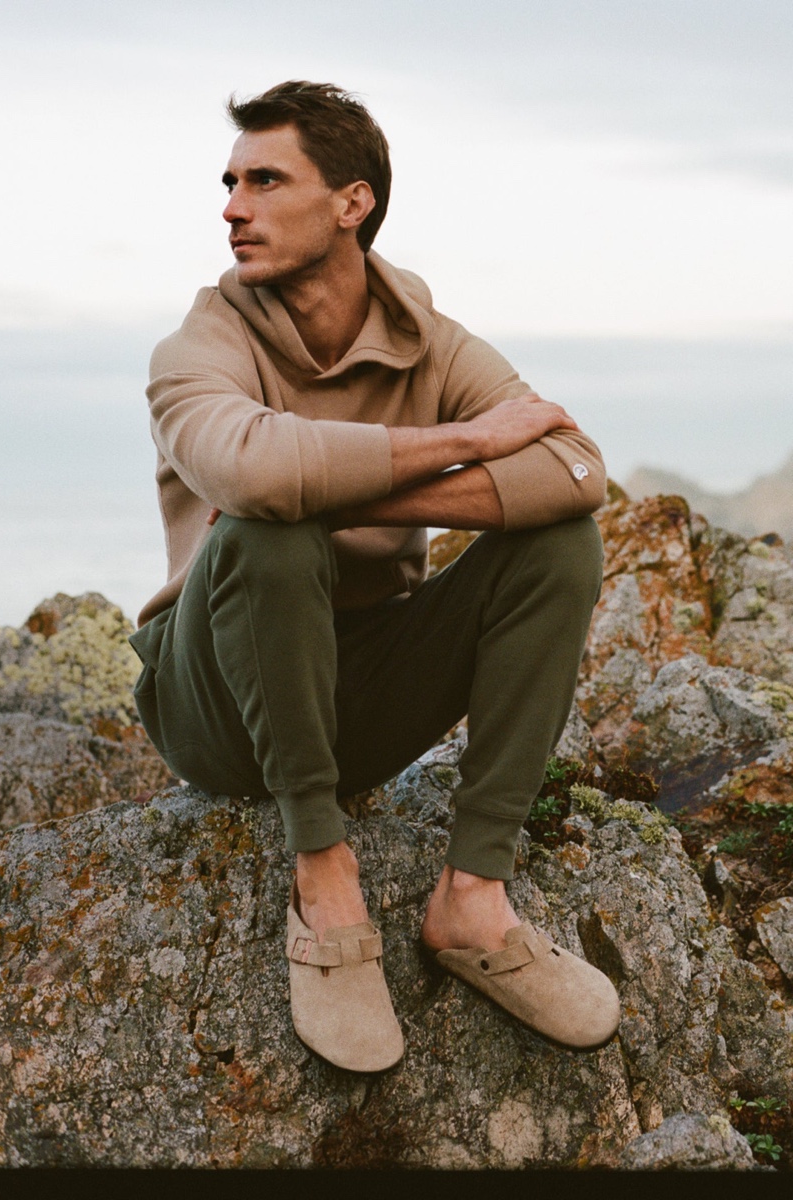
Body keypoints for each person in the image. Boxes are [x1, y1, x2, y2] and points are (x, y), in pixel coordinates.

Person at [129, 80, 620, 1073]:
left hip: (364, 690)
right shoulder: (198, 348)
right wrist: (468, 443)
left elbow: (573, 469)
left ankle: (473, 897)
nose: (231, 205)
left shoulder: (426, 340)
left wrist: (353, 495)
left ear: (351, 203)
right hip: (216, 704)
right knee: (268, 535)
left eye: (265, 180)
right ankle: (323, 875)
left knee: (560, 543)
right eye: (229, 183)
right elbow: (256, 477)